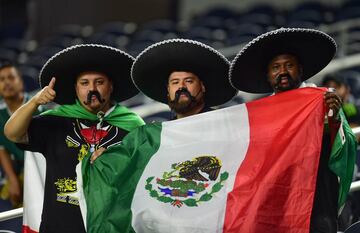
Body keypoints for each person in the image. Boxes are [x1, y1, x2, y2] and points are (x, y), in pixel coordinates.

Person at [4, 44, 145, 233]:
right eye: (84, 83)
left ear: (111, 86)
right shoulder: (56, 121)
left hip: (113, 226)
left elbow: (143, 171)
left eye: (99, 82)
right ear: (76, 89)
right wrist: (35, 101)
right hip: (60, 225)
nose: (92, 89)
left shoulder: (132, 124)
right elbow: (12, 133)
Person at [229, 28, 357, 233]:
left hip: (316, 200)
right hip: (275, 204)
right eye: (276, 68)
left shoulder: (322, 100)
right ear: (268, 76)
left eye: (289, 65)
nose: (282, 72)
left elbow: (344, 147)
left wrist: (333, 119)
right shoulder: (259, 114)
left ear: (300, 69)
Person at [131, 39, 238, 120]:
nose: (181, 86)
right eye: (175, 82)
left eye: (189, 81)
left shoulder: (222, 124)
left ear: (203, 87)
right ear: (168, 91)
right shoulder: (161, 135)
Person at [0, 61, 33, 232]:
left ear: (21, 82)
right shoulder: (0, 115)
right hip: (18, 171)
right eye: (2, 79)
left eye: (11, 77)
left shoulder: (37, 108)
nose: (6, 82)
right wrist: (12, 179)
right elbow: (2, 149)